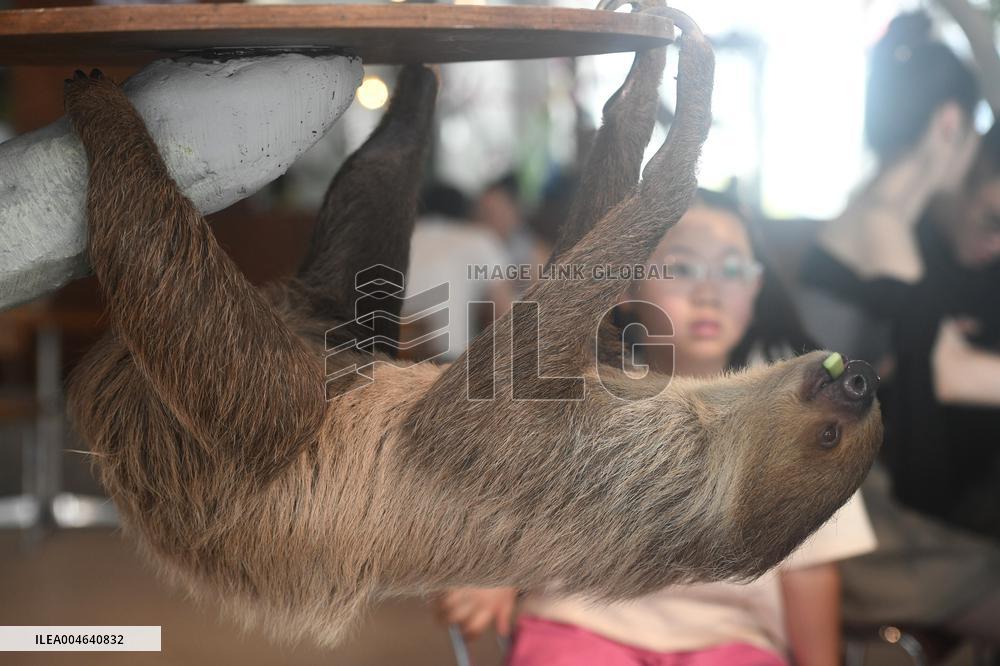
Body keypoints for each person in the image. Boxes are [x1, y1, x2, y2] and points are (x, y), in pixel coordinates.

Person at [436, 190, 876, 666]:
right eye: (683, 268)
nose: (708, 292)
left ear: (756, 286)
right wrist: (497, 576)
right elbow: (523, 503)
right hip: (583, 622)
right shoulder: (578, 396)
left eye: (731, 270)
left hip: (732, 638)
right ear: (626, 288)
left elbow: (809, 570)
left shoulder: (804, 419)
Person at [800, 10, 1000, 642]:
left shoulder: (878, 219)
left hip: (845, 483)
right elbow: (943, 366)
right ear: (949, 124)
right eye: (971, 133)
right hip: (829, 502)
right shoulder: (886, 233)